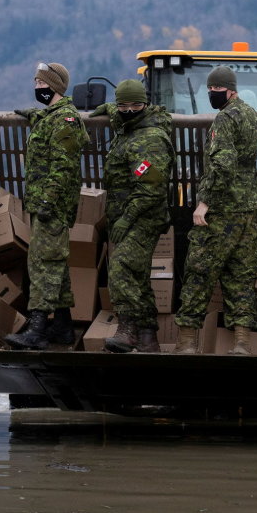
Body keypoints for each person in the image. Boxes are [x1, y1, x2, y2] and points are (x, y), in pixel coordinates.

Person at [173, 66, 257, 355]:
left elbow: (222, 164)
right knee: (241, 275)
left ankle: (187, 342)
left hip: (223, 210)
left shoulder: (224, 119)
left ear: (230, 90)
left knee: (199, 270)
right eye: (209, 90)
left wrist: (204, 202)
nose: (212, 94)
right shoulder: (251, 115)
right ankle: (242, 343)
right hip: (249, 209)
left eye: (216, 90)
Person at [4, 62, 89, 350]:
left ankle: (38, 328)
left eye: (42, 84)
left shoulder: (65, 120)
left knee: (44, 265)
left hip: (50, 206)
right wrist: (33, 115)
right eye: (36, 83)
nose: (37, 87)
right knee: (55, 264)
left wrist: (46, 201)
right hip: (44, 204)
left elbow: (63, 167)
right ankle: (63, 326)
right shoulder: (52, 116)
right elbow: (47, 122)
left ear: (55, 86)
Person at [102, 80, 174, 353]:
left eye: (135, 105)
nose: (129, 110)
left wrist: (126, 218)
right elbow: (120, 110)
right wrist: (109, 107)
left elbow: (152, 188)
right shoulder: (128, 126)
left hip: (143, 218)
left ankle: (128, 328)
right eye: (123, 105)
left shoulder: (150, 139)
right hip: (128, 216)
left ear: (145, 105)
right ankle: (148, 338)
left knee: (120, 269)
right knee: (138, 276)